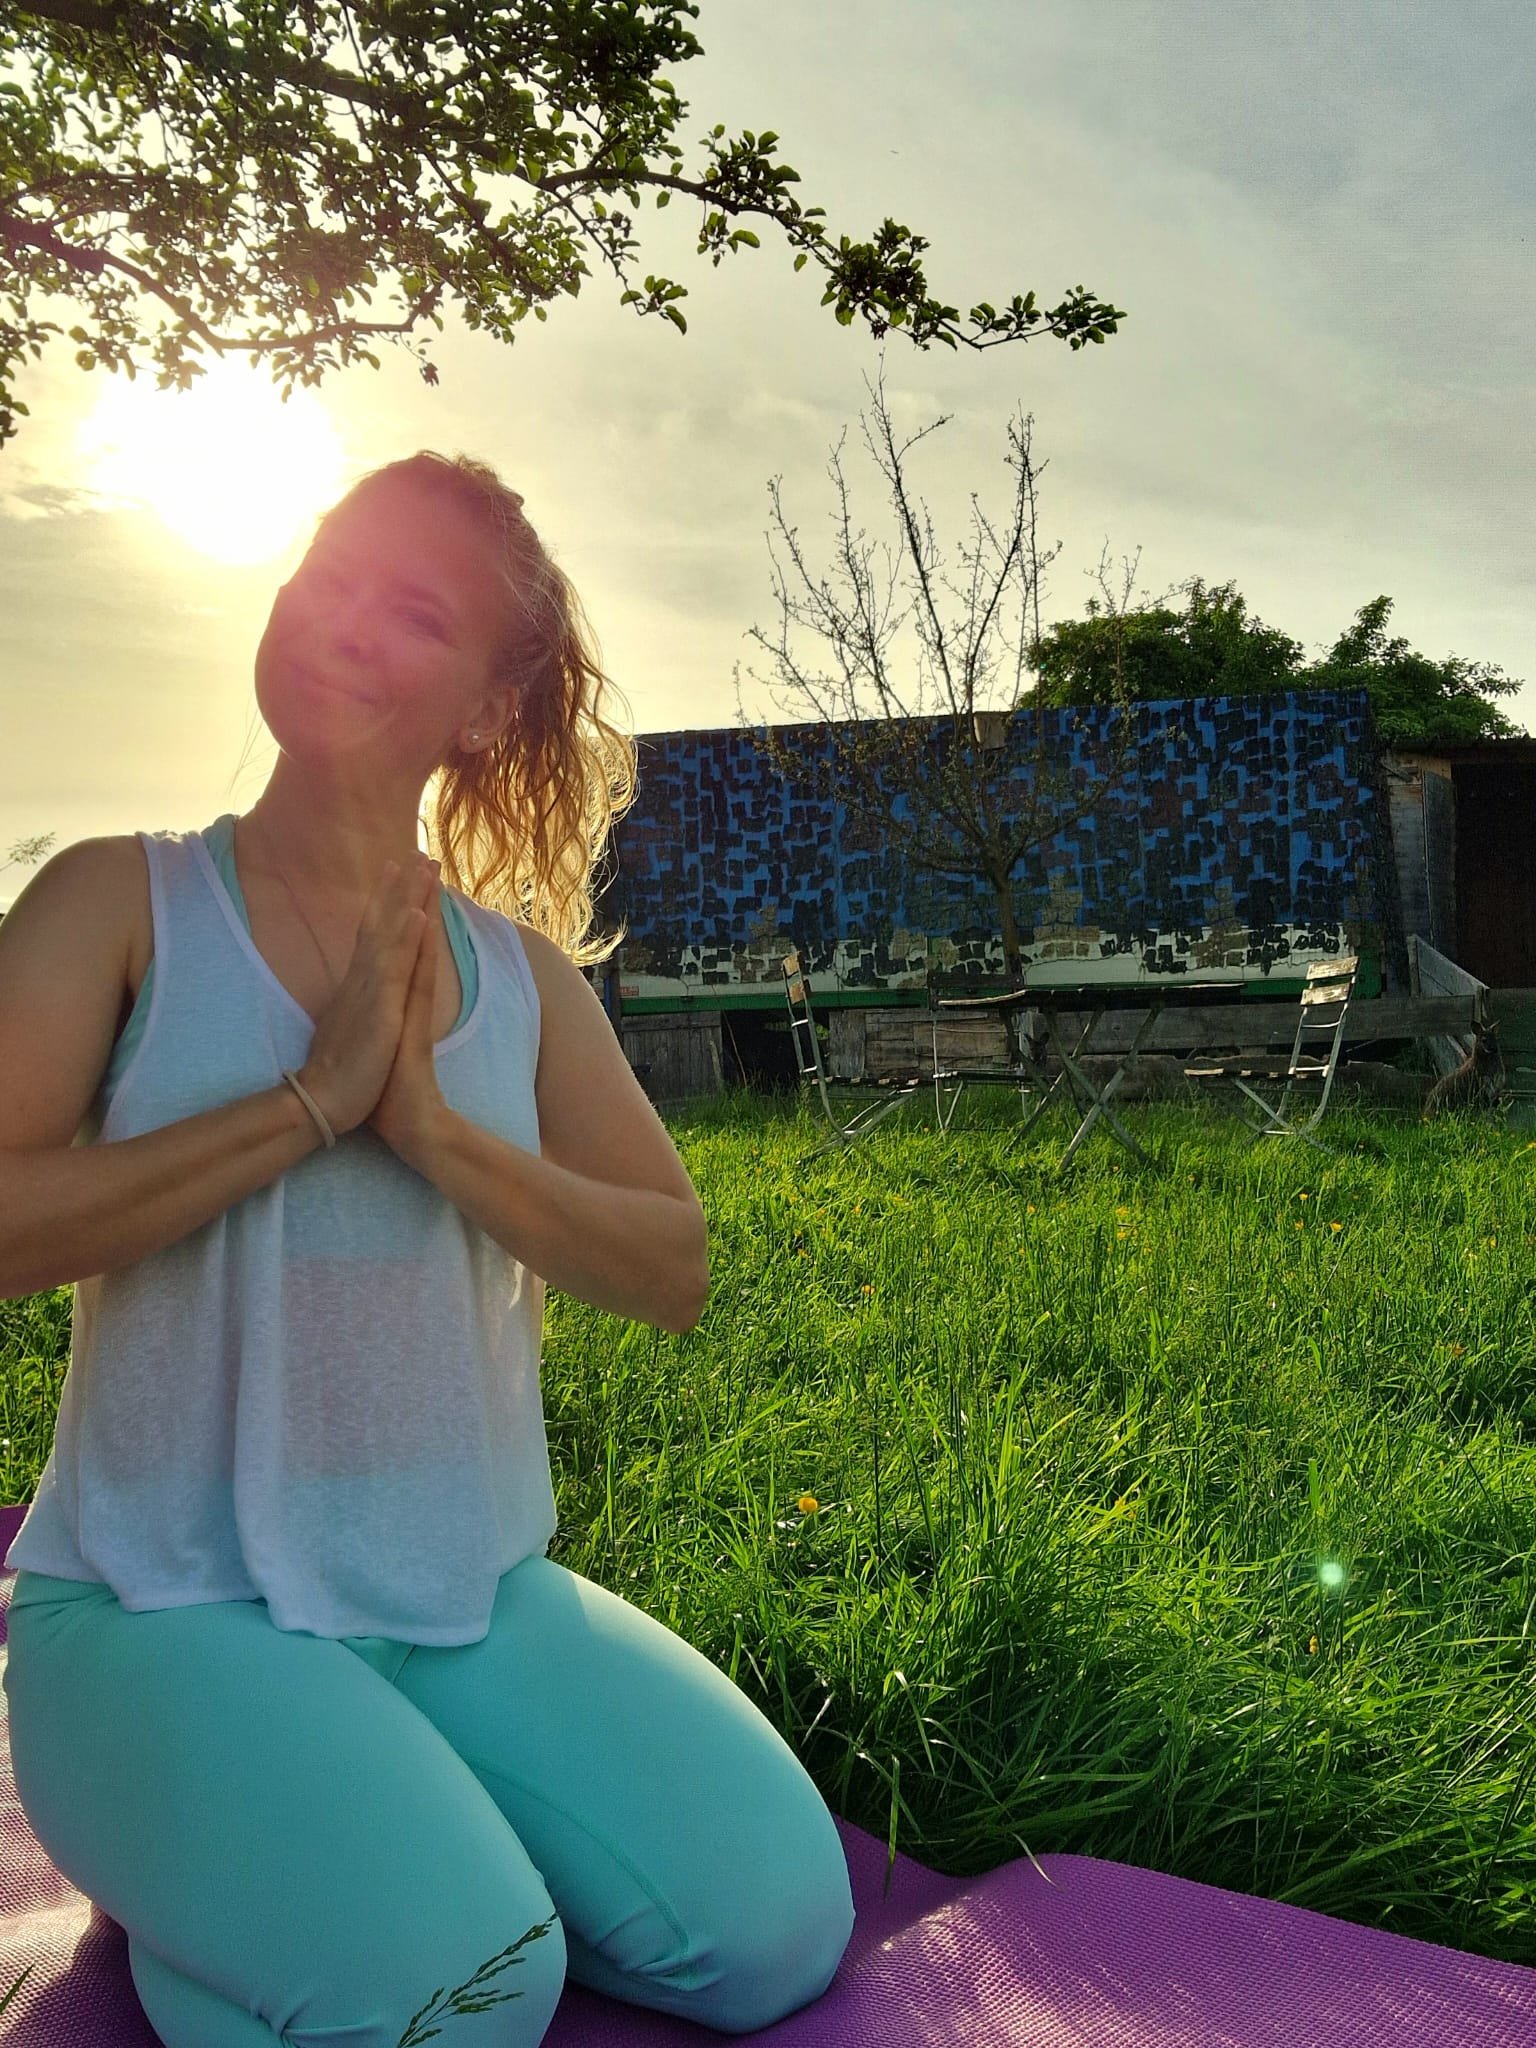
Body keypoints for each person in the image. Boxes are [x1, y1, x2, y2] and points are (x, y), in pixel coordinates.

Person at [0, 451, 856, 2048]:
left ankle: (289, 1875)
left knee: (773, 1930)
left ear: (485, 708)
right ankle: (220, 1887)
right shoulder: (120, 904)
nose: (344, 622)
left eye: (414, 613)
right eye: (329, 573)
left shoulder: (526, 981)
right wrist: (309, 1105)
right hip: (155, 1609)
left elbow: (671, 1266)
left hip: (463, 1598)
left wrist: (437, 1137)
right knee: (474, 1993)